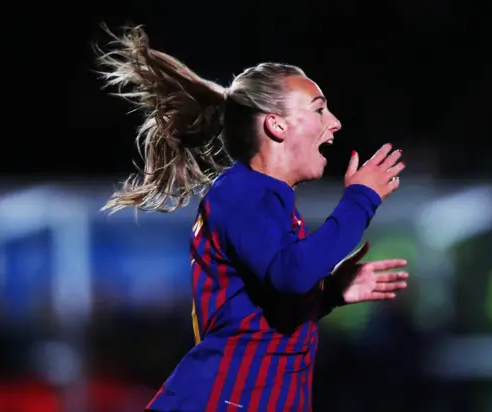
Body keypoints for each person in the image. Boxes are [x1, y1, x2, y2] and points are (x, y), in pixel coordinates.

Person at [98, 25, 409, 412]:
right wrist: (360, 199)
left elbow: (262, 309)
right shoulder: (240, 193)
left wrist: (327, 294)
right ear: (276, 124)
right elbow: (291, 273)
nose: (335, 123)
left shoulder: (264, 199)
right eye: (319, 109)